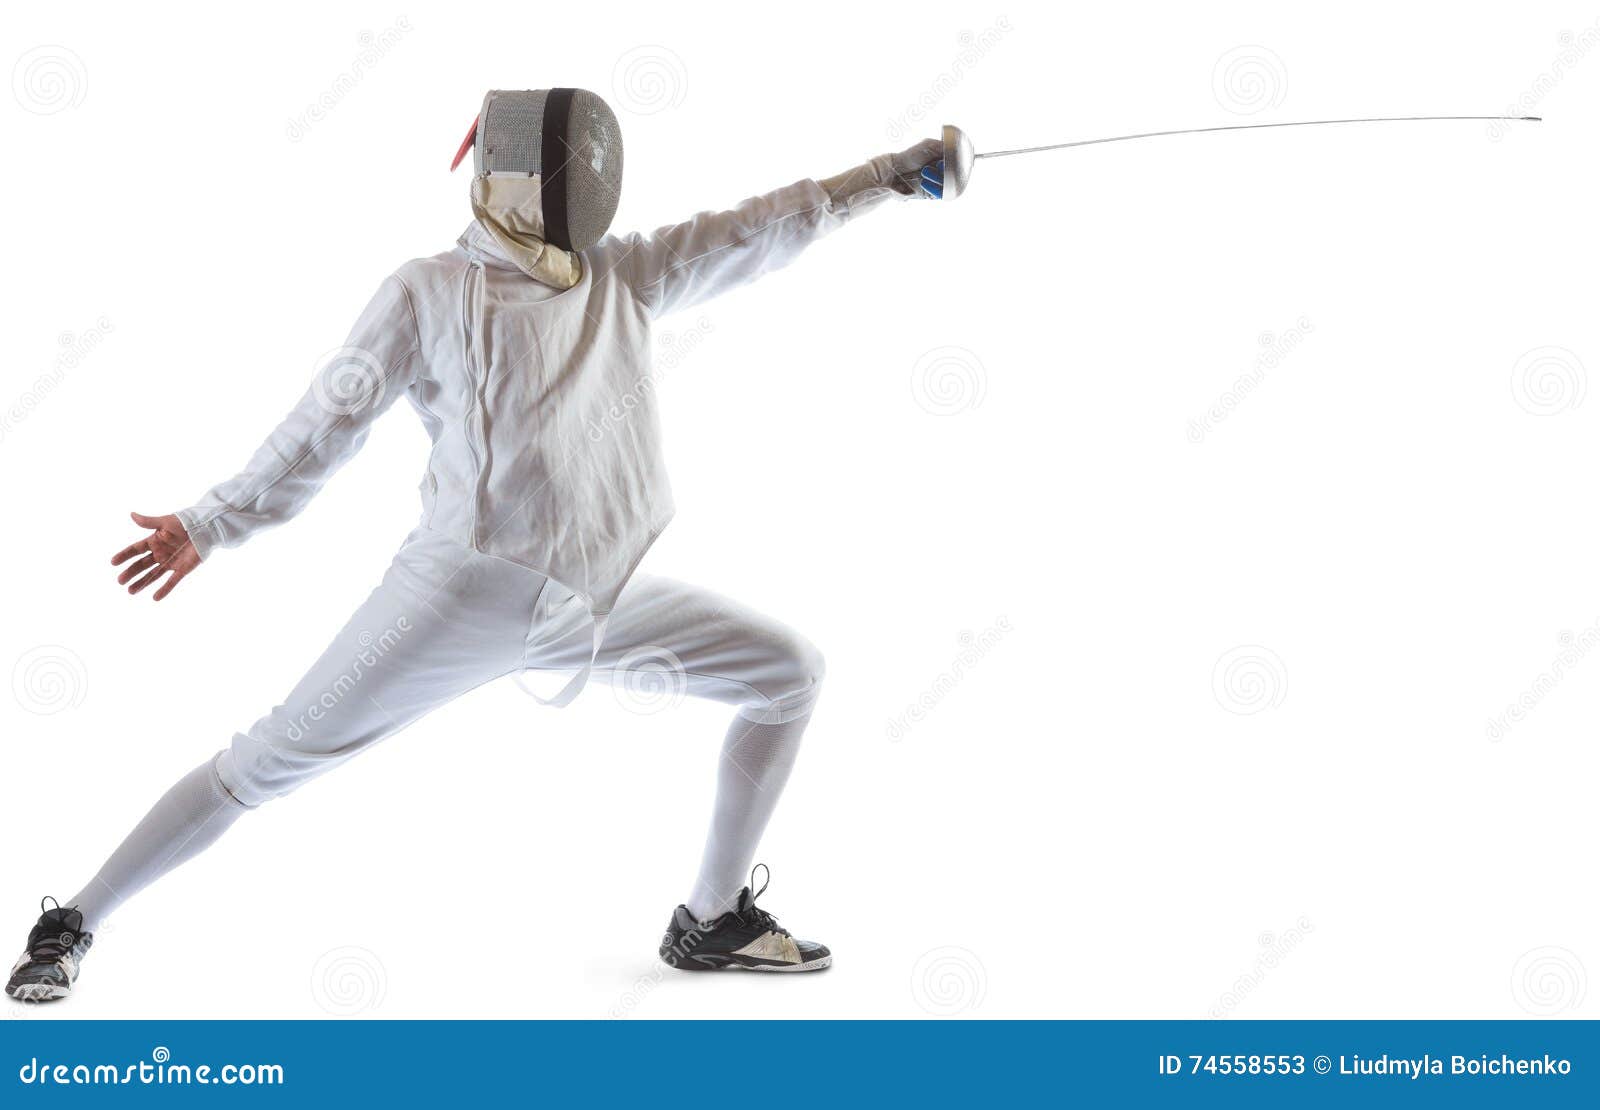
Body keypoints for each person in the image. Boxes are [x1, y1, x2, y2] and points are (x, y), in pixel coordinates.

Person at [7, 88, 945, 1001]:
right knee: (265, 763)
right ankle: (73, 922)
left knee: (790, 672)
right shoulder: (429, 290)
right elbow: (323, 425)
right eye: (565, 171)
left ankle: (711, 919)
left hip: (592, 600)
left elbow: (756, 228)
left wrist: (894, 176)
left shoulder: (621, 273)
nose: (584, 190)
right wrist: (214, 521)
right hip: (452, 600)